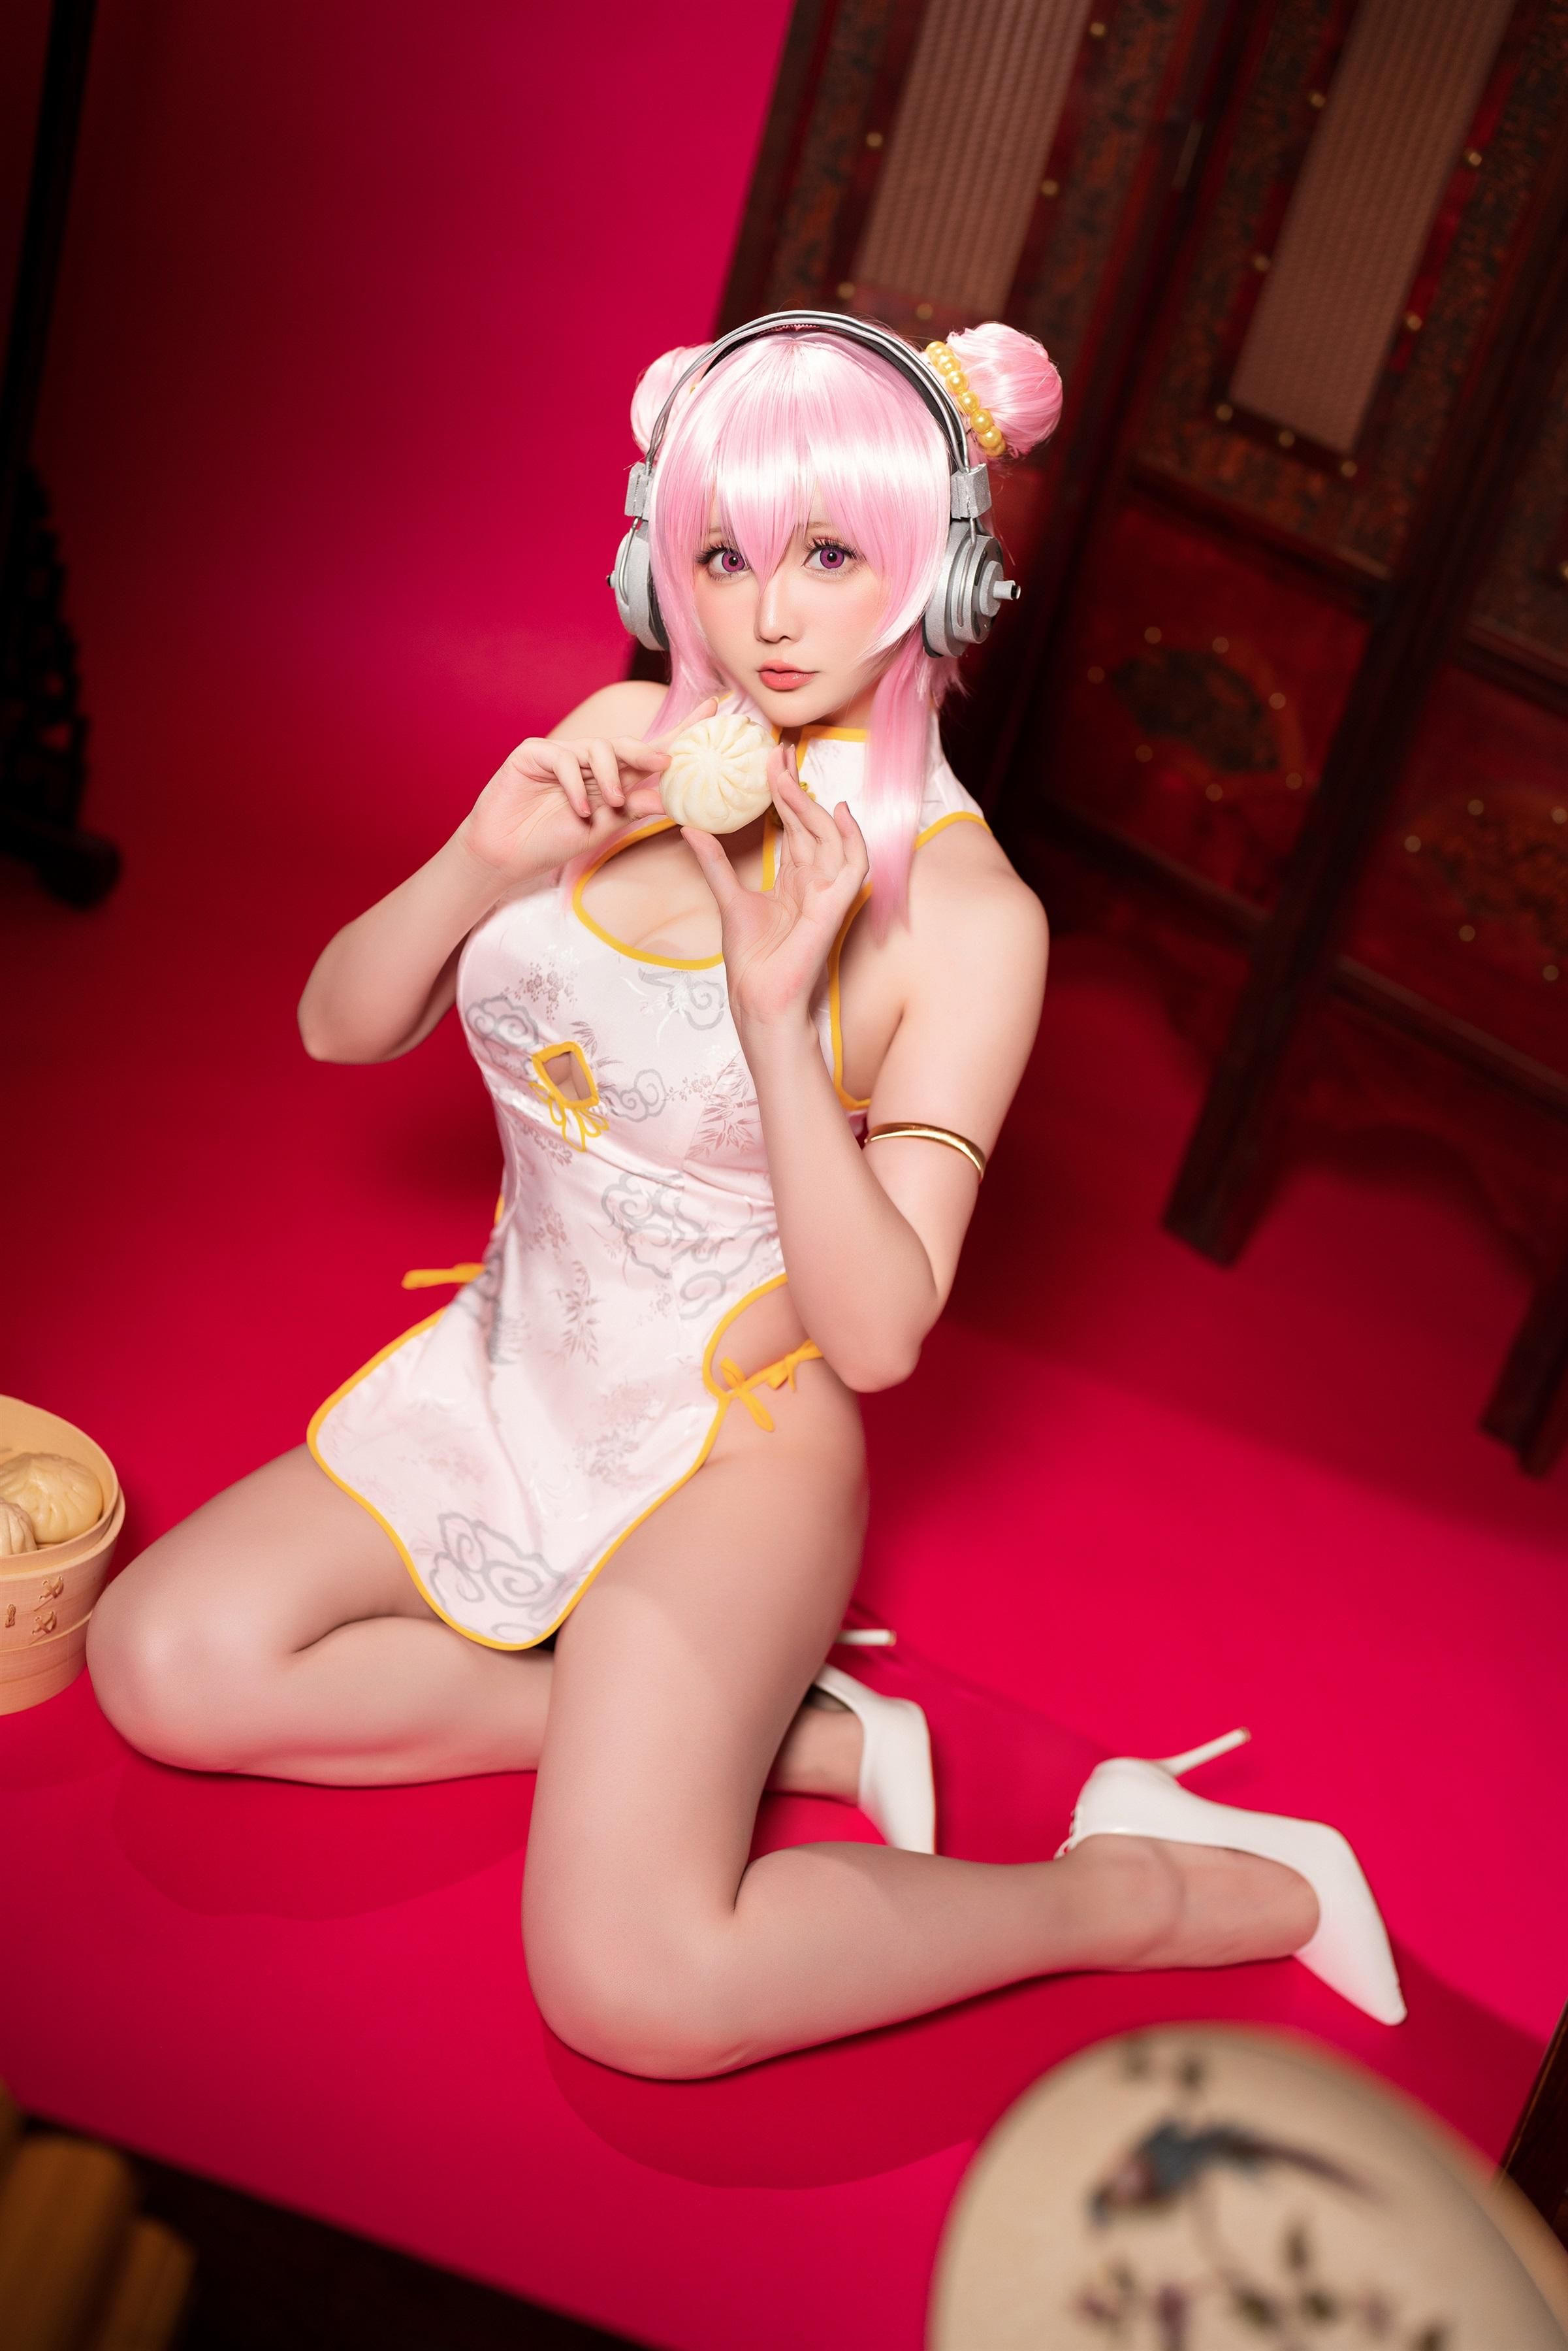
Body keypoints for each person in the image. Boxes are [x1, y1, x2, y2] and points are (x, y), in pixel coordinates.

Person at [86, 316, 1404, 2078]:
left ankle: (1134, 1890)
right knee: (161, 1660)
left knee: (637, 1989)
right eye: (721, 555)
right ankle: (806, 1745)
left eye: (829, 555)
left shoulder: (968, 921)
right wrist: (480, 858)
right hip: (511, 1376)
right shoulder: (619, 741)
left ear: (933, 572)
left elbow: (877, 1337)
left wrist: (780, 1021)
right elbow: (341, 1026)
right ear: (663, 562)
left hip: (737, 1456)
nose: (766, 615)